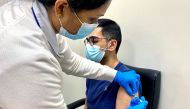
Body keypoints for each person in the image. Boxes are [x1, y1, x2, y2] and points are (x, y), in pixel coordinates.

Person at [0, 0, 140, 109]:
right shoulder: (30, 54)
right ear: (61, 7)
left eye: (94, 40)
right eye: (92, 19)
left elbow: (71, 61)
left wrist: (115, 75)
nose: (93, 25)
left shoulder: (42, 22)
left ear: (112, 44)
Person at [84, 19, 143, 109]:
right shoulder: (93, 71)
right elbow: (87, 106)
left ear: (112, 45)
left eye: (94, 40)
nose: (89, 46)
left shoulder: (128, 80)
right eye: (88, 41)